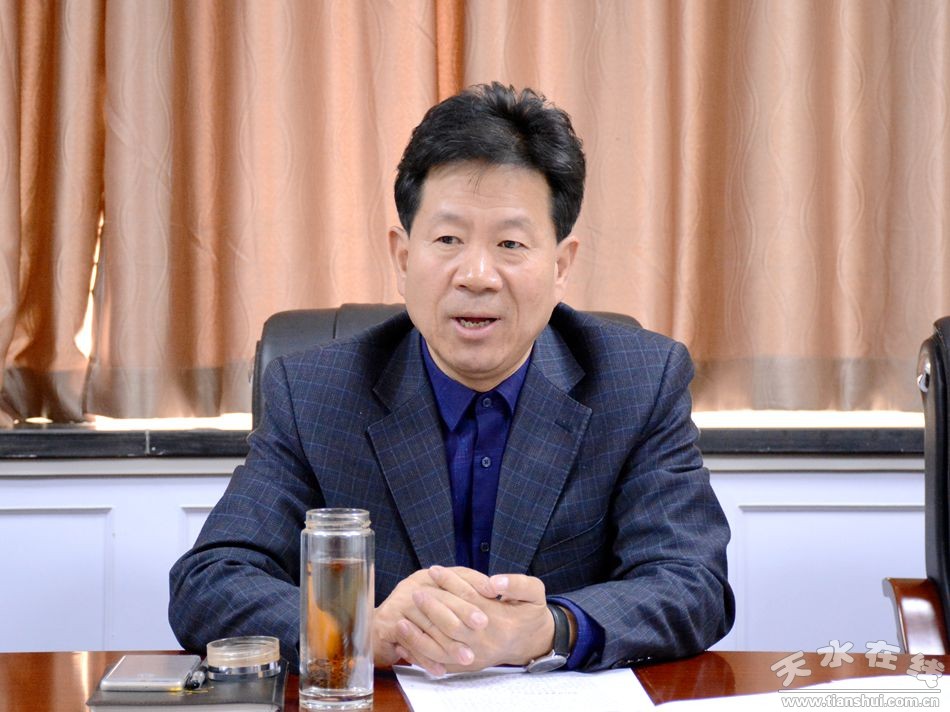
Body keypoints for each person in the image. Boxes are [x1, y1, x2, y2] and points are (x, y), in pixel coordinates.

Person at [168, 82, 734, 674]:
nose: (477, 275)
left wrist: (552, 628)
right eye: (448, 240)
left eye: (510, 243)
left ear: (561, 266)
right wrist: (360, 630)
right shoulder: (315, 394)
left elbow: (691, 582)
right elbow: (209, 583)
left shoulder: (637, 383)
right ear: (403, 258)